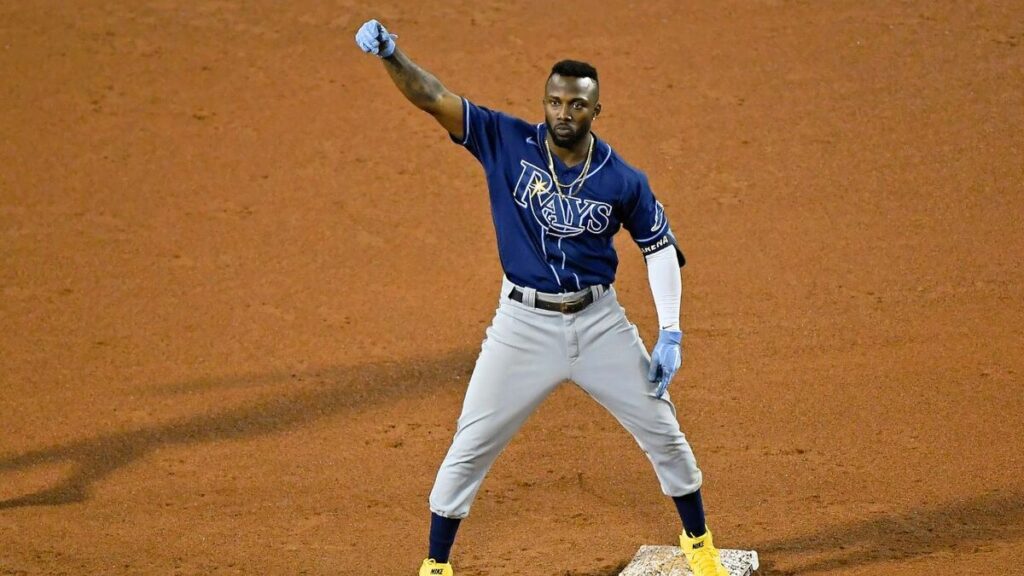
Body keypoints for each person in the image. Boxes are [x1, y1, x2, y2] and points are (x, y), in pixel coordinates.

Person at [354, 19, 731, 576]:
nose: (563, 113)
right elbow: (432, 96)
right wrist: (391, 55)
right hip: (521, 325)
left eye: (576, 105)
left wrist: (670, 330)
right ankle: (435, 564)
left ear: (595, 111)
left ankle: (699, 543)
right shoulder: (505, 140)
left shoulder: (623, 179)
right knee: (471, 443)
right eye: (554, 102)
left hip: (599, 322)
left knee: (664, 433)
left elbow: (658, 249)